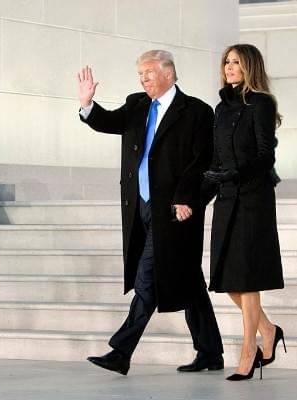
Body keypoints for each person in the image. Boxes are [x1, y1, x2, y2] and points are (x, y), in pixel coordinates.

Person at [76, 50, 224, 376]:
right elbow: (109, 122)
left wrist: (190, 201)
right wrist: (88, 105)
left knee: (147, 279)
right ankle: (211, 351)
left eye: (148, 73)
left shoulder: (196, 111)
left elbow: (204, 162)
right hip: (139, 207)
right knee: (189, 279)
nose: (143, 79)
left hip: (174, 211)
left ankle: (121, 351)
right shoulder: (137, 104)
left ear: (168, 73)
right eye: (140, 74)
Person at [202, 44, 285, 381]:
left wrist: (236, 174)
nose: (229, 67)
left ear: (249, 67)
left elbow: (267, 156)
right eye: (226, 61)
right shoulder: (220, 109)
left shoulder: (261, 103)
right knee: (227, 279)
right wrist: (194, 199)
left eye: (236, 62)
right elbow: (216, 162)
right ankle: (268, 329)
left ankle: (248, 350)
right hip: (226, 197)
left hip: (253, 198)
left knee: (247, 280)